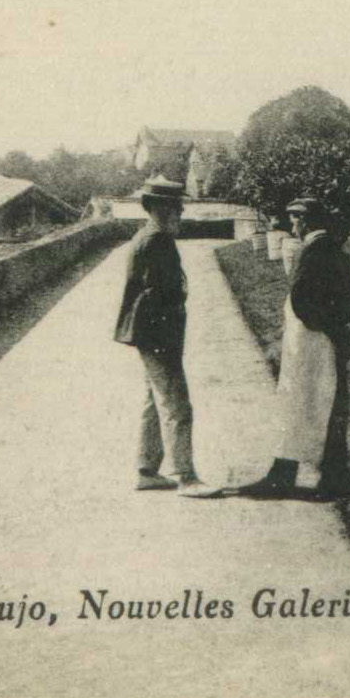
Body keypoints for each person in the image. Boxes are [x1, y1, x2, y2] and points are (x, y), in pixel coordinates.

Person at [235, 196, 350, 499]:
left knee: (304, 401)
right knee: (326, 401)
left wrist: (320, 327)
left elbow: (303, 300)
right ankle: (330, 472)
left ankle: (291, 475)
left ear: (306, 221)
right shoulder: (336, 252)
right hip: (325, 337)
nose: (292, 225)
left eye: (295, 219)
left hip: (313, 341)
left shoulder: (314, 252)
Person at [113, 175, 214, 497]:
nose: (181, 212)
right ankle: (186, 477)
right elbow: (159, 294)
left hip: (150, 334)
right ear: (157, 208)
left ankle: (147, 470)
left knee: (154, 402)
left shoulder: (149, 235)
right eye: (175, 207)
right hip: (158, 335)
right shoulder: (157, 240)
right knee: (176, 405)